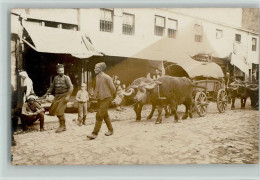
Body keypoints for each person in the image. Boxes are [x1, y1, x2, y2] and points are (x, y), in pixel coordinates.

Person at [87, 62, 116, 140]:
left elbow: (113, 89)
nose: (94, 69)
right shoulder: (97, 77)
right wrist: (94, 95)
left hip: (107, 98)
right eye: (95, 67)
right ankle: (111, 130)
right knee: (105, 114)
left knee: (99, 114)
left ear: (101, 69)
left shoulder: (107, 77)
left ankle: (94, 133)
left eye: (96, 67)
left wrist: (109, 96)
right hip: (100, 99)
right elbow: (97, 87)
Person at [44, 63, 73, 133]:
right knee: (53, 111)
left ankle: (62, 126)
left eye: (62, 70)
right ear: (57, 71)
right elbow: (52, 87)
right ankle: (64, 125)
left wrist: (68, 96)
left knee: (59, 112)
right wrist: (47, 92)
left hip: (64, 96)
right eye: (60, 71)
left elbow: (71, 87)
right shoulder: (55, 78)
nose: (61, 72)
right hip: (57, 97)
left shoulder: (66, 77)